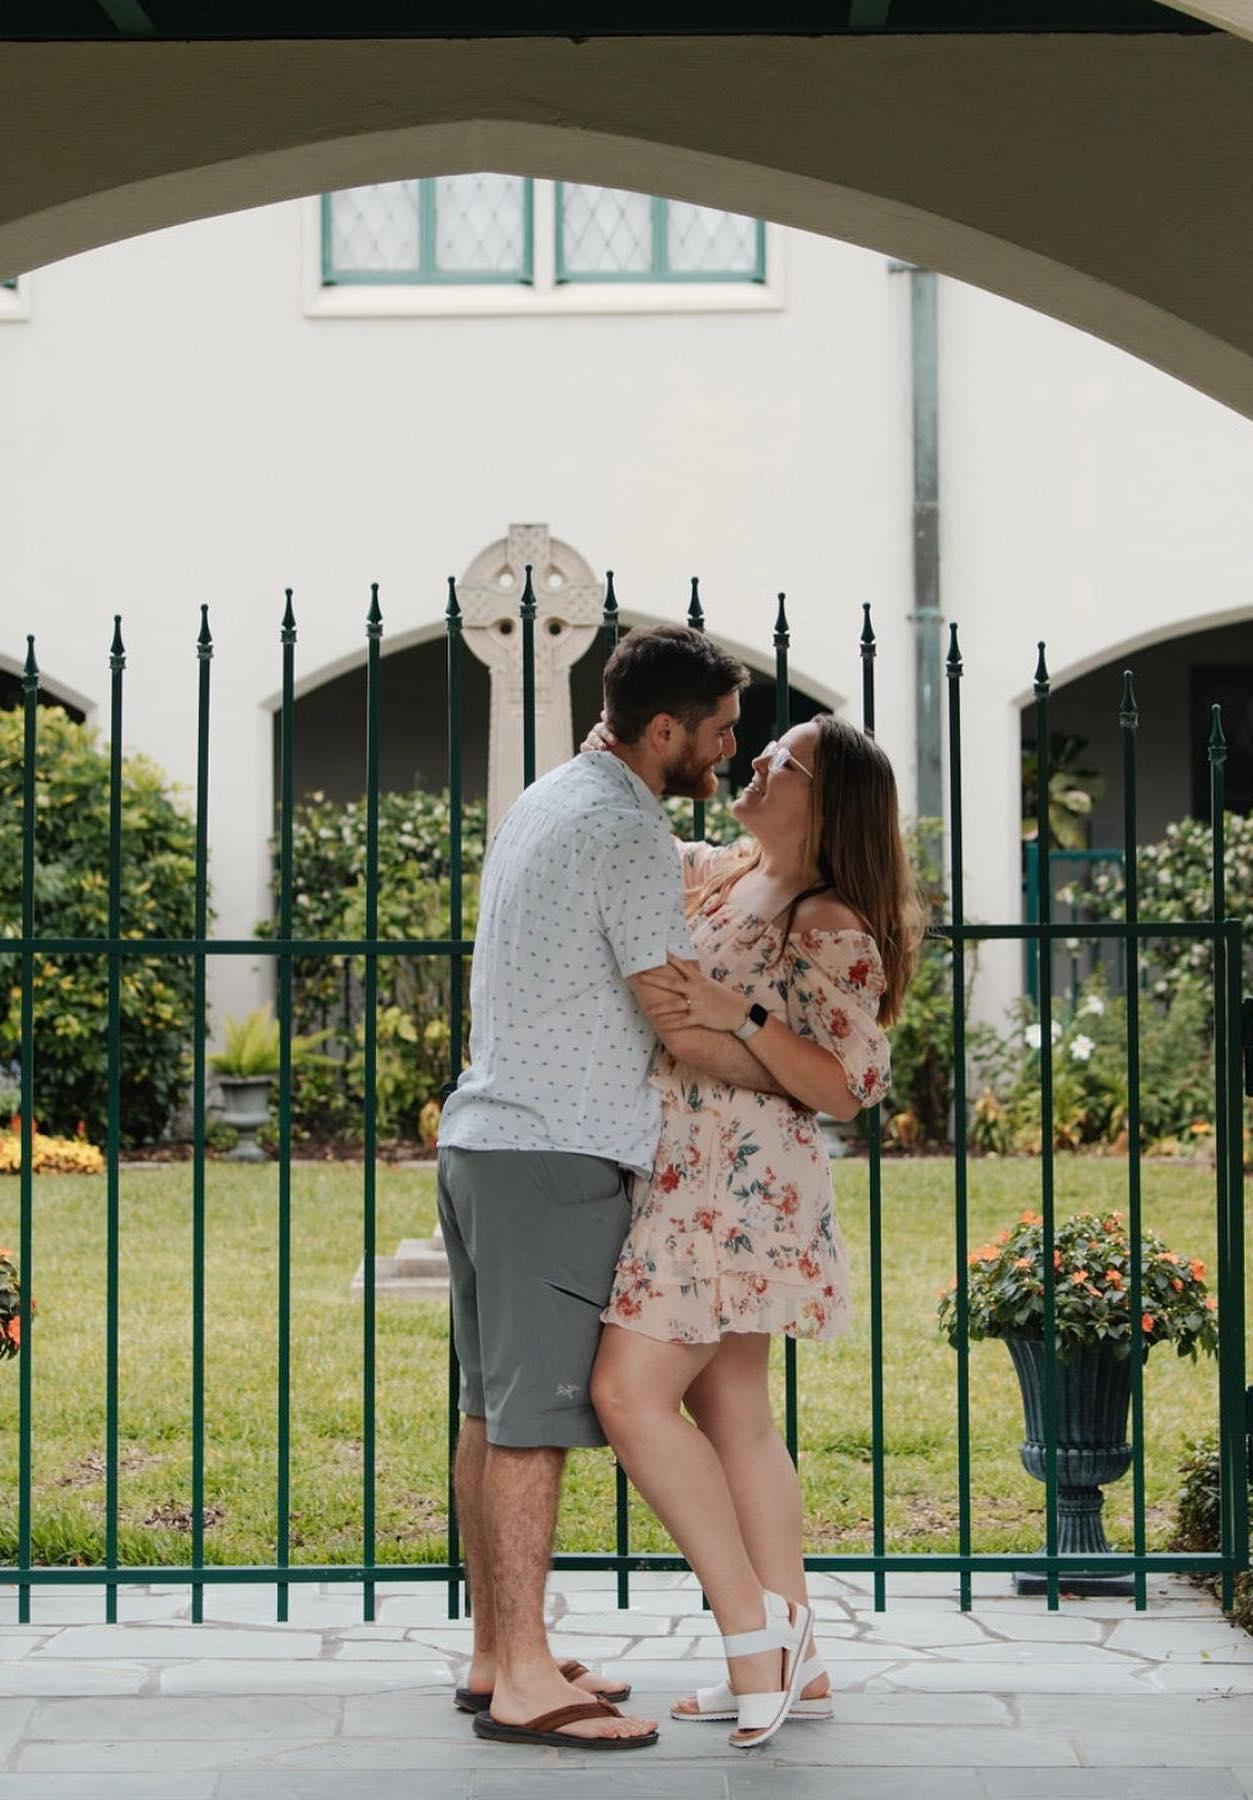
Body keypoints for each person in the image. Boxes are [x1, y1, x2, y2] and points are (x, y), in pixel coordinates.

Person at [435, 623, 750, 1750]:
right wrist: (796, 1072)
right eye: (717, 732)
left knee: (490, 1409)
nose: (727, 752)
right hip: (555, 1157)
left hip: (486, 1142)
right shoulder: (623, 828)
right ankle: (522, 1677)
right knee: (533, 1424)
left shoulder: (552, 796)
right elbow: (675, 1012)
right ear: (662, 731)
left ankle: (495, 1652)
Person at [585, 710, 925, 1750]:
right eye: (766, 747)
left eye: (787, 763)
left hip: (734, 1191)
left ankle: (758, 1644)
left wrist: (743, 1021)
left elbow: (846, 1084)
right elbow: (640, 840)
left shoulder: (828, 920)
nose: (761, 762)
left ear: (828, 806)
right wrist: (613, 743)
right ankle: (801, 1661)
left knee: (627, 1395)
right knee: (735, 1409)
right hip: (690, 1167)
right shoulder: (735, 874)